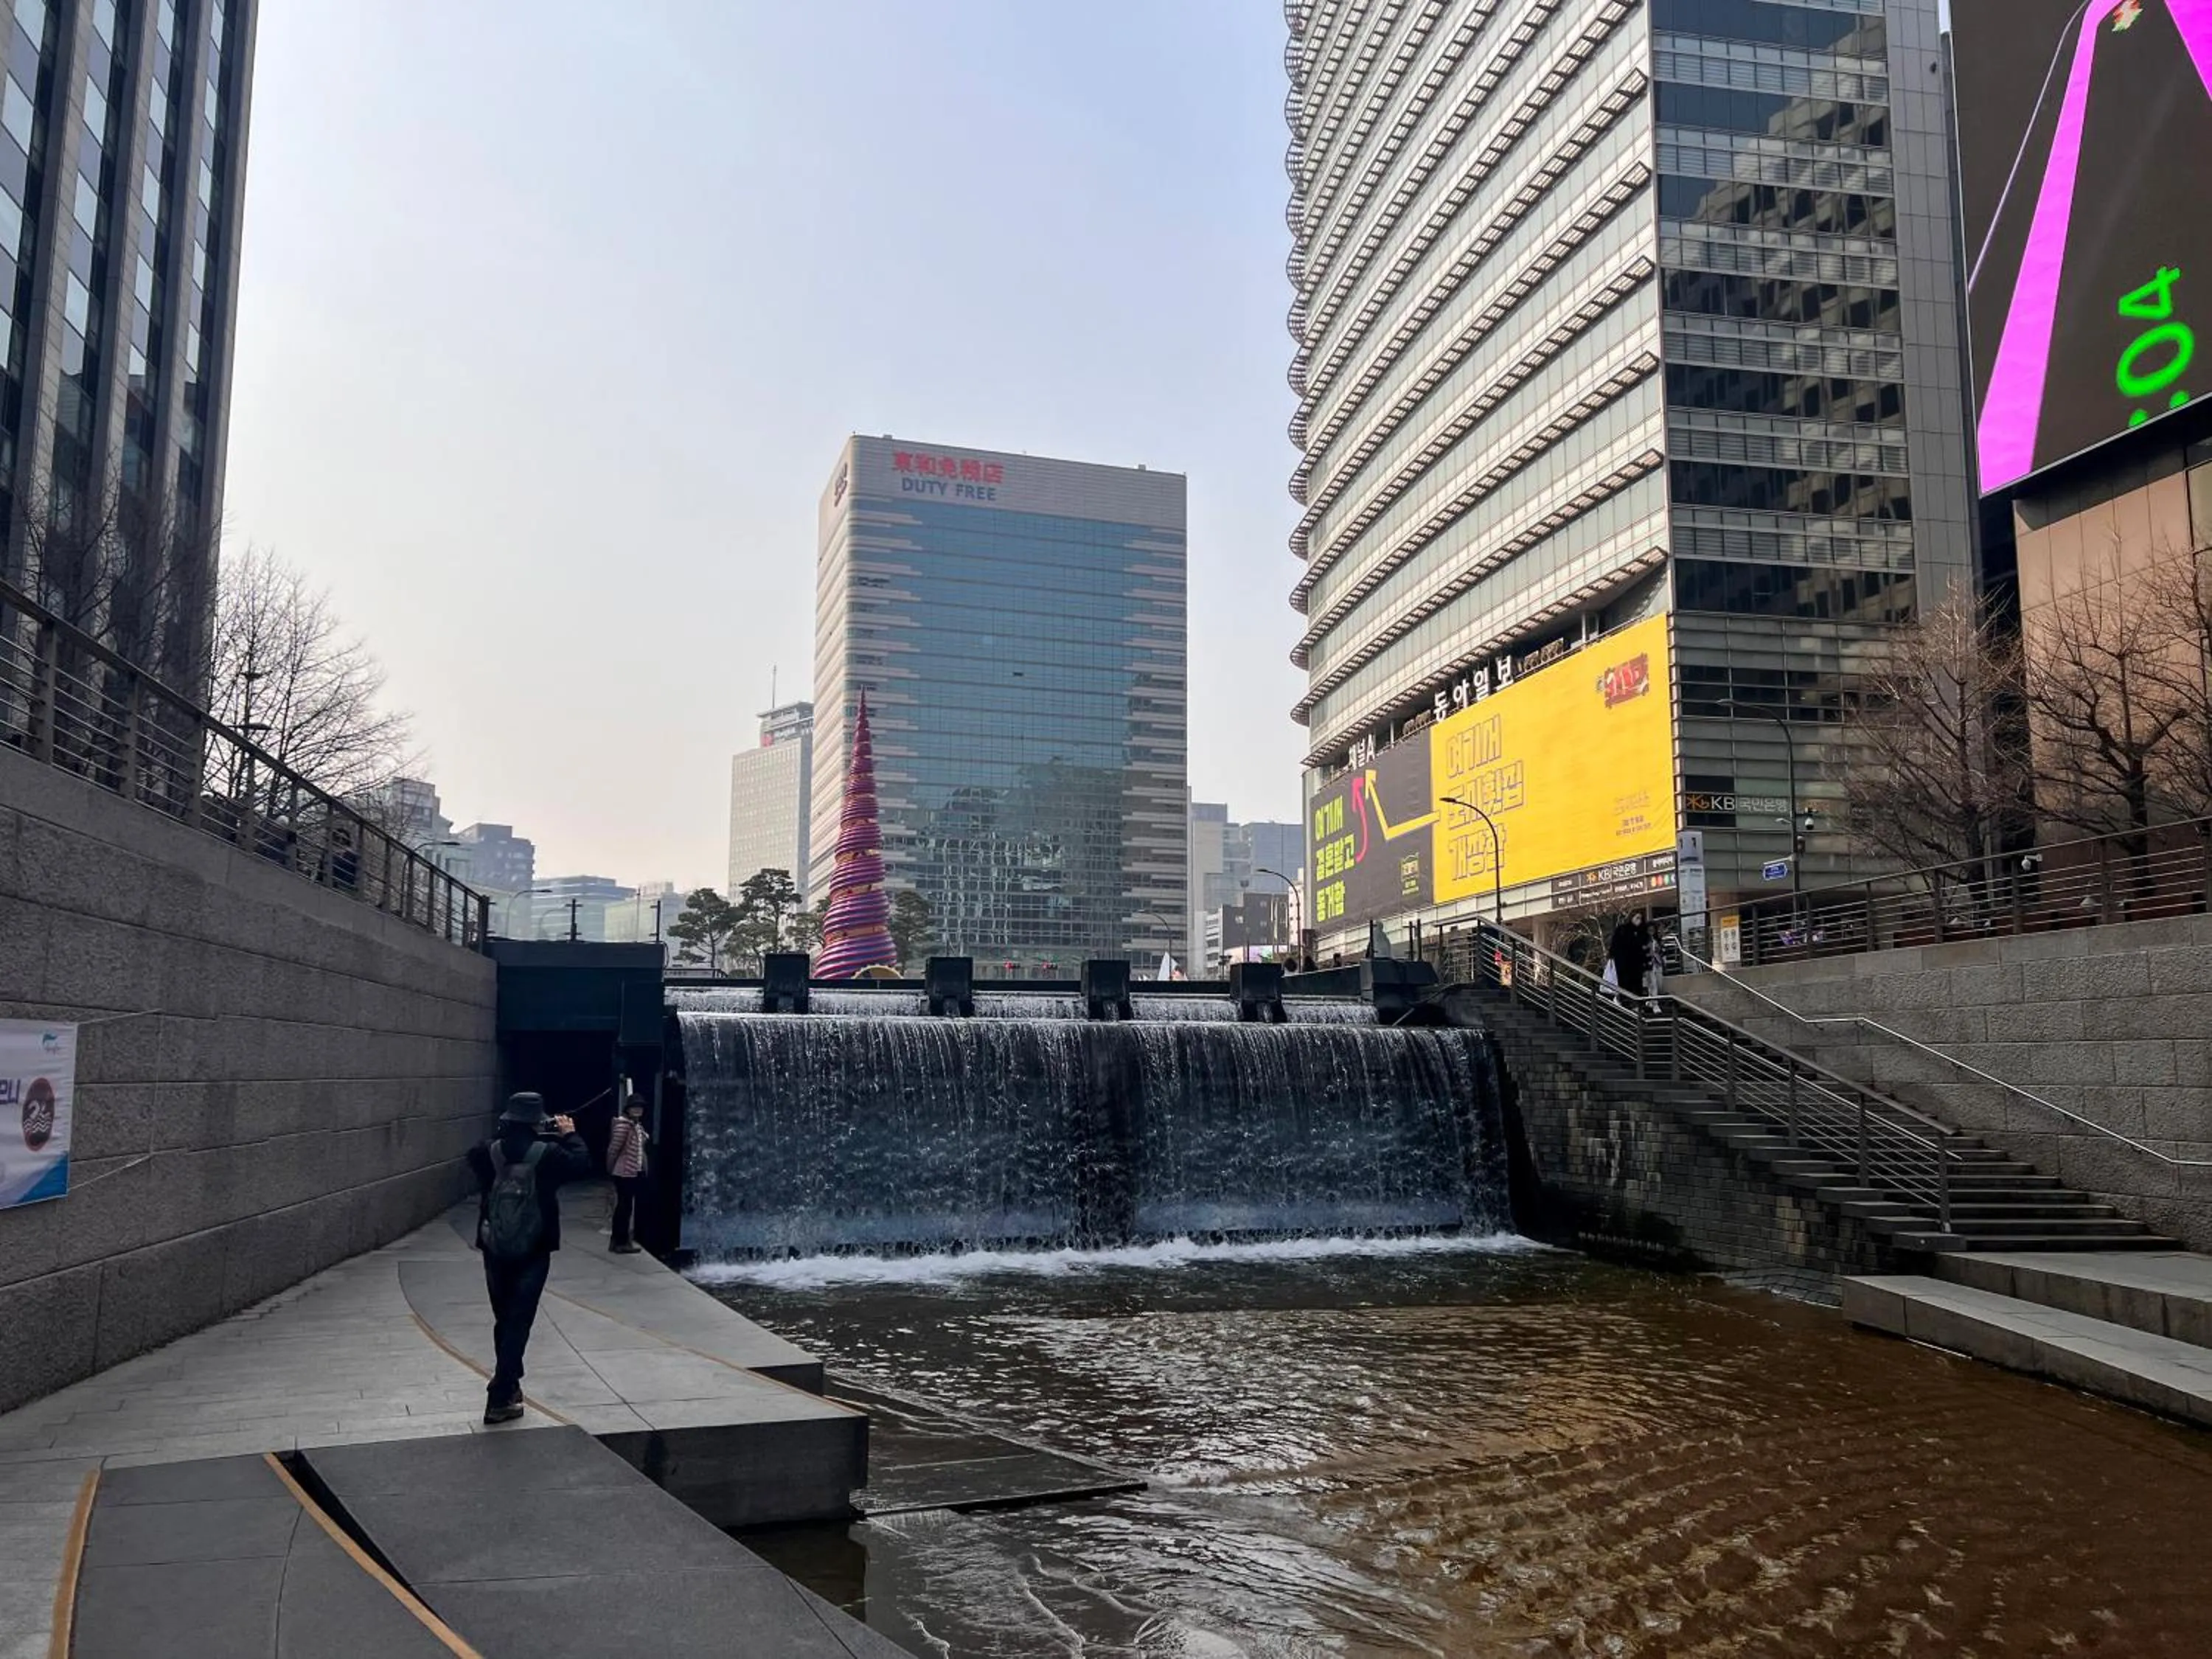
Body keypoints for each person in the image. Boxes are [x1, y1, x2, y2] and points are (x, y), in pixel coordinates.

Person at [467, 1093, 589, 1425]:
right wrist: (569, 1134)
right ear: (538, 1121)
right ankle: (499, 1395)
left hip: (494, 1247)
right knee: (519, 1320)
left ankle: (510, 1385)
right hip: (535, 1248)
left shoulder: (486, 1152)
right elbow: (582, 1163)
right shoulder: (549, 1154)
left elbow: (475, 1156)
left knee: (505, 1318)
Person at [605, 1093, 650, 1254]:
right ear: (628, 1109)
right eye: (634, 1107)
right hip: (624, 1172)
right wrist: (611, 1169)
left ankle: (618, 1241)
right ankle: (621, 1242)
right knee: (624, 1208)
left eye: (640, 1107)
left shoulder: (636, 1126)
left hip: (632, 1171)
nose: (638, 1110)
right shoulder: (624, 1126)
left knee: (625, 1207)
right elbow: (613, 1150)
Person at [1607, 914, 1650, 998]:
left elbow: (1644, 946)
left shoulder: (1642, 931)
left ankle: (1636, 1002)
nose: (1639, 920)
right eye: (1637, 918)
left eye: (1641, 918)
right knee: (1625, 985)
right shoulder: (1622, 930)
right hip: (1624, 964)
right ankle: (1625, 1001)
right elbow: (1615, 945)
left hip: (1637, 964)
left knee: (1637, 986)